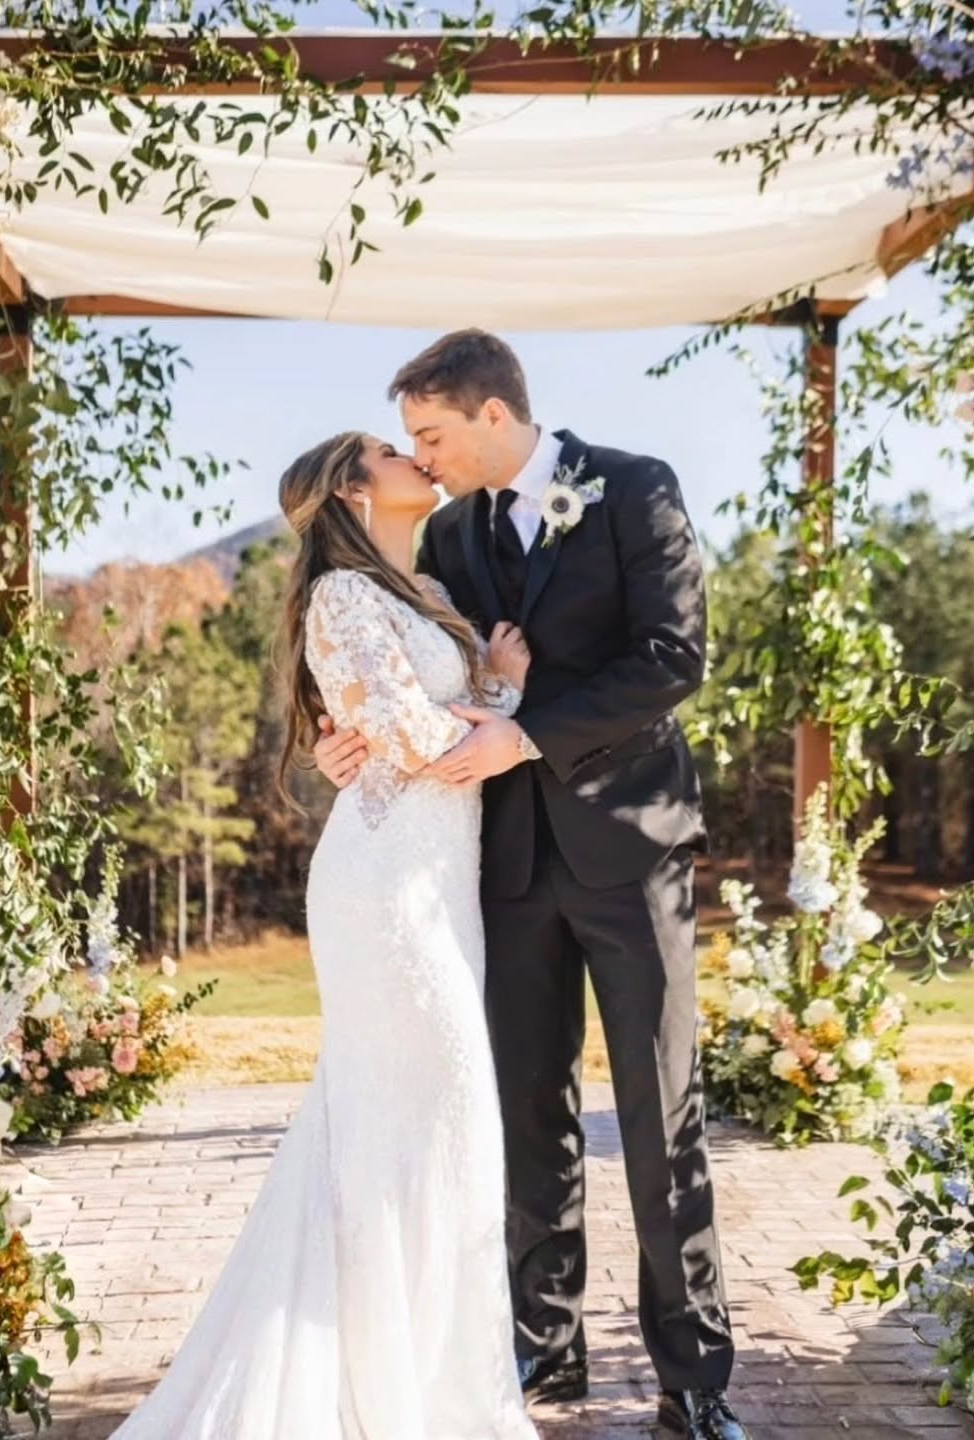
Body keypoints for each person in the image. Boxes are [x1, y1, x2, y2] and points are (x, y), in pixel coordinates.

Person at [314, 330, 751, 1440]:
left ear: (494, 416)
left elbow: (671, 659)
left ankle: (691, 1380)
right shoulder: (448, 531)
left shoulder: (634, 487)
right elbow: (414, 674)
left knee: (659, 1114)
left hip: (625, 847)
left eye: (433, 435)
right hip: (496, 865)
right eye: (408, 441)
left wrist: (524, 740)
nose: (424, 455)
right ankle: (541, 1349)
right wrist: (349, 741)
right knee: (524, 1116)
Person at [107, 431, 540, 1440]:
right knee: (429, 1118)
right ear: (354, 485)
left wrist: (470, 696)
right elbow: (412, 739)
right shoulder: (343, 597)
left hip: (441, 887)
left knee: (426, 1129)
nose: (417, 456)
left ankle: (412, 1376)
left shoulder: (418, 592)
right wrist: (505, 701)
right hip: (385, 889)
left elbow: (409, 727)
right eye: (396, 448)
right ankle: (385, 1395)